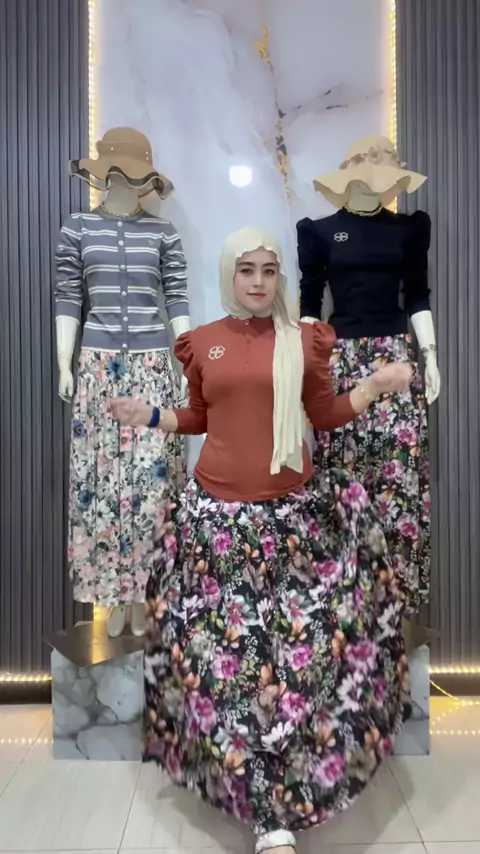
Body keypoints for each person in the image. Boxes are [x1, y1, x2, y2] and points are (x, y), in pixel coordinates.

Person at [111, 227, 411, 854]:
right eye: (246, 270)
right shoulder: (202, 343)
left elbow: (322, 415)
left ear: (280, 278)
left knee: (297, 670)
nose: (257, 281)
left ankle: (289, 797)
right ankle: (262, 810)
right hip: (216, 527)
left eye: (268, 271)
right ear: (229, 274)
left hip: (294, 523)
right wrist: (153, 416)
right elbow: (200, 416)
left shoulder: (304, 340)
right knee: (233, 673)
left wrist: (374, 387)